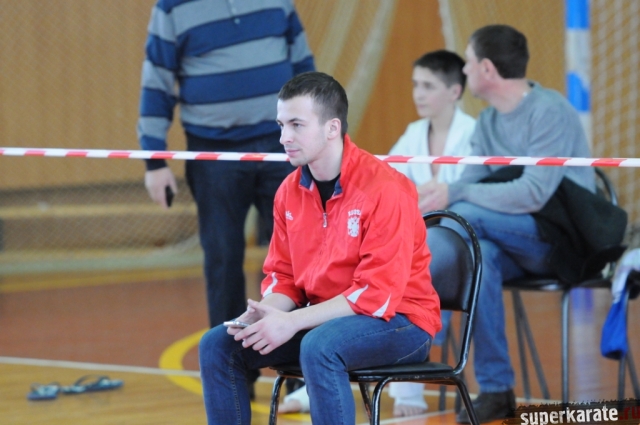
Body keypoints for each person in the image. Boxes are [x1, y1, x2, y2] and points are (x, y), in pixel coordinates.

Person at [198, 71, 442, 425]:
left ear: (332, 128)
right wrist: (268, 314)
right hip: (324, 321)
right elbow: (284, 277)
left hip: (401, 323)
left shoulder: (386, 189)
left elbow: (376, 296)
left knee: (320, 346)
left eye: (296, 125)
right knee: (219, 345)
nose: (284, 137)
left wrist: (291, 322)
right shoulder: (288, 191)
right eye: (281, 125)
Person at [419, 25, 595, 423]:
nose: (464, 69)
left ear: (486, 69)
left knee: (465, 215)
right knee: (479, 257)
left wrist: (455, 194)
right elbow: (469, 186)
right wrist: (440, 195)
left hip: (563, 242)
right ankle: (497, 389)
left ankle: (427, 326)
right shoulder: (487, 124)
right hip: (510, 241)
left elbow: (533, 194)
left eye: (467, 62)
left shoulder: (549, 111)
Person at [137, 0, 315, 394]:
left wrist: (313, 134)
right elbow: (157, 80)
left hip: (282, 147)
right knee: (222, 262)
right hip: (212, 152)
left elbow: (304, 67)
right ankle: (233, 377)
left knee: (301, 260)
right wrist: (154, 160)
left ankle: (300, 378)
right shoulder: (172, 8)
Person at [386, 49, 476, 417]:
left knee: (420, 270)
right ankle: (322, 375)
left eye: (428, 86)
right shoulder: (413, 134)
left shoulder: (473, 134)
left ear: (455, 91)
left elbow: (475, 193)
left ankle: (407, 388)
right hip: (413, 240)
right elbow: (386, 182)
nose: (418, 94)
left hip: (456, 245)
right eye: (415, 85)